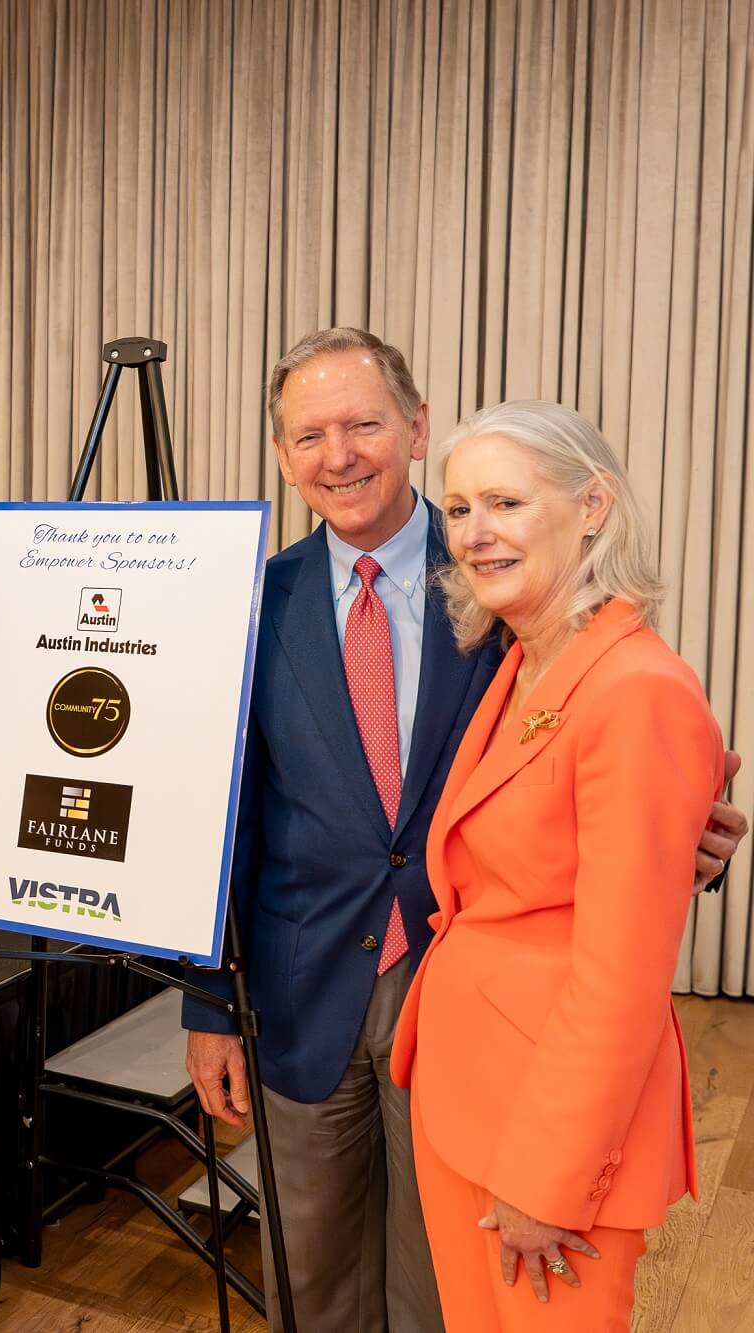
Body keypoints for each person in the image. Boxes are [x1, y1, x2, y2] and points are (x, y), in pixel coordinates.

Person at [181, 328, 745, 1332]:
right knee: (308, 1281)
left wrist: (680, 844)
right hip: (297, 986)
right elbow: (223, 819)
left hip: (473, 1008)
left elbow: (605, 782)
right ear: (278, 455)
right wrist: (207, 1004)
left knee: (449, 1291)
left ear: (414, 429)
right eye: (307, 435)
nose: (337, 454)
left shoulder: (507, 584)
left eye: (362, 424)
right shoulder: (248, 604)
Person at [387, 401, 724, 1329]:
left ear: (592, 505)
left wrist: (552, 1173)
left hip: (551, 1132)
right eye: (457, 508)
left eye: (505, 501)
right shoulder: (520, 660)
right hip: (469, 1093)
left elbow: (623, 975)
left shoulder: (637, 689)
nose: (476, 532)